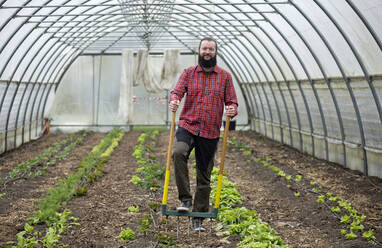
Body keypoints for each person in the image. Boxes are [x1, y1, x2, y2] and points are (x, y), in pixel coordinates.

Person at [169, 37, 238, 231]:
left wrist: (232, 109)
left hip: (210, 130)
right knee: (178, 152)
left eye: (211, 49)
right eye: (204, 49)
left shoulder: (225, 76)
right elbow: (176, 92)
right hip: (188, 125)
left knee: (204, 173)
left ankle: (198, 215)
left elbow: (232, 101)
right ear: (198, 51)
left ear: (216, 52)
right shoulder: (188, 73)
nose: (207, 52)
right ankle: (185, 200)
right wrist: (174, 100)